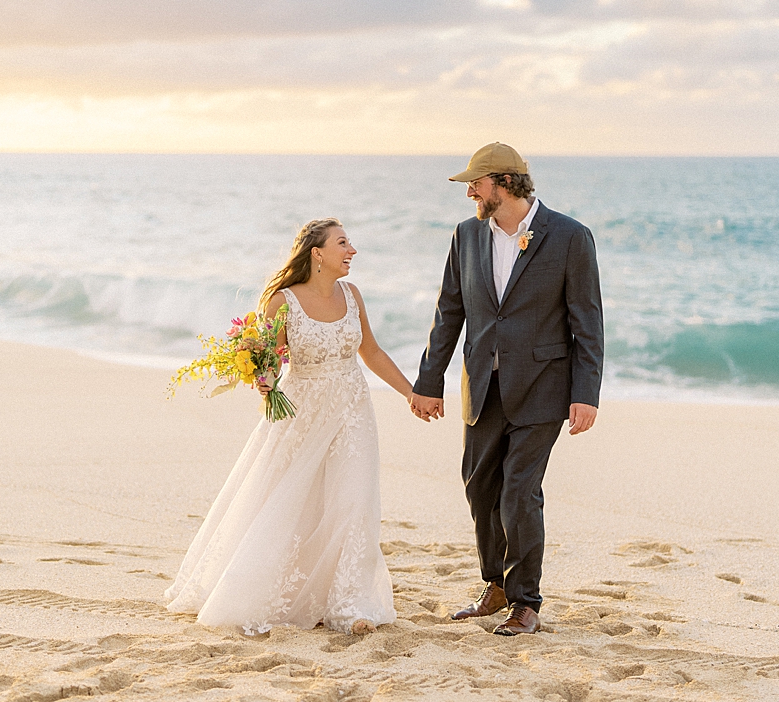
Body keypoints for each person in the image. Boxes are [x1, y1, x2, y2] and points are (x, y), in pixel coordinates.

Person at [164, 218, 417, 636]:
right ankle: (285, 592)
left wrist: (410, 393)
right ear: (317, 253)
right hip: (301, 414)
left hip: (353, 409)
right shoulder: (282, 303)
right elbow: (267, 362)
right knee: (293, 504)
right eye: (342, 243)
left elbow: (370, 351)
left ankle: (350, 603)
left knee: (354, 500)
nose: (351, 250)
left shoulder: (352, 295)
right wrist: (263, 380)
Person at [408, 142, 604, 636]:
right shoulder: (467, 235)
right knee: (480, 489)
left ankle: (525, 602)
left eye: (476, 182)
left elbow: (587, 322)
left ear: (505, 182)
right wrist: (429, 381)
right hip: (482, 385)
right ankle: (494, 585)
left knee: (519, 491)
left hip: (543, 385)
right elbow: (449, 312)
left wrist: (587, 392)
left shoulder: (569, 237)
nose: (469, 191)